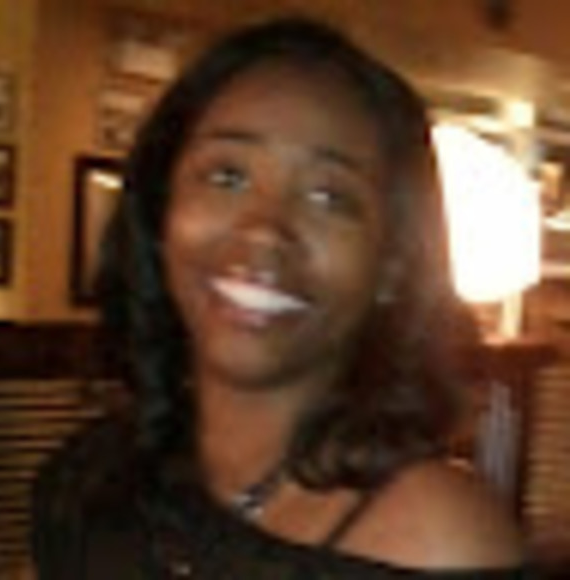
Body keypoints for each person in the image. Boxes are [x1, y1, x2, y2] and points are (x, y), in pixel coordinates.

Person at [32, 17, 533, 579]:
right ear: (160, 212)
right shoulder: (90, 479)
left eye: (329, 197)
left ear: (392, 265)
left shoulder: (439, 541)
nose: (265, 229)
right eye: (227, 176)